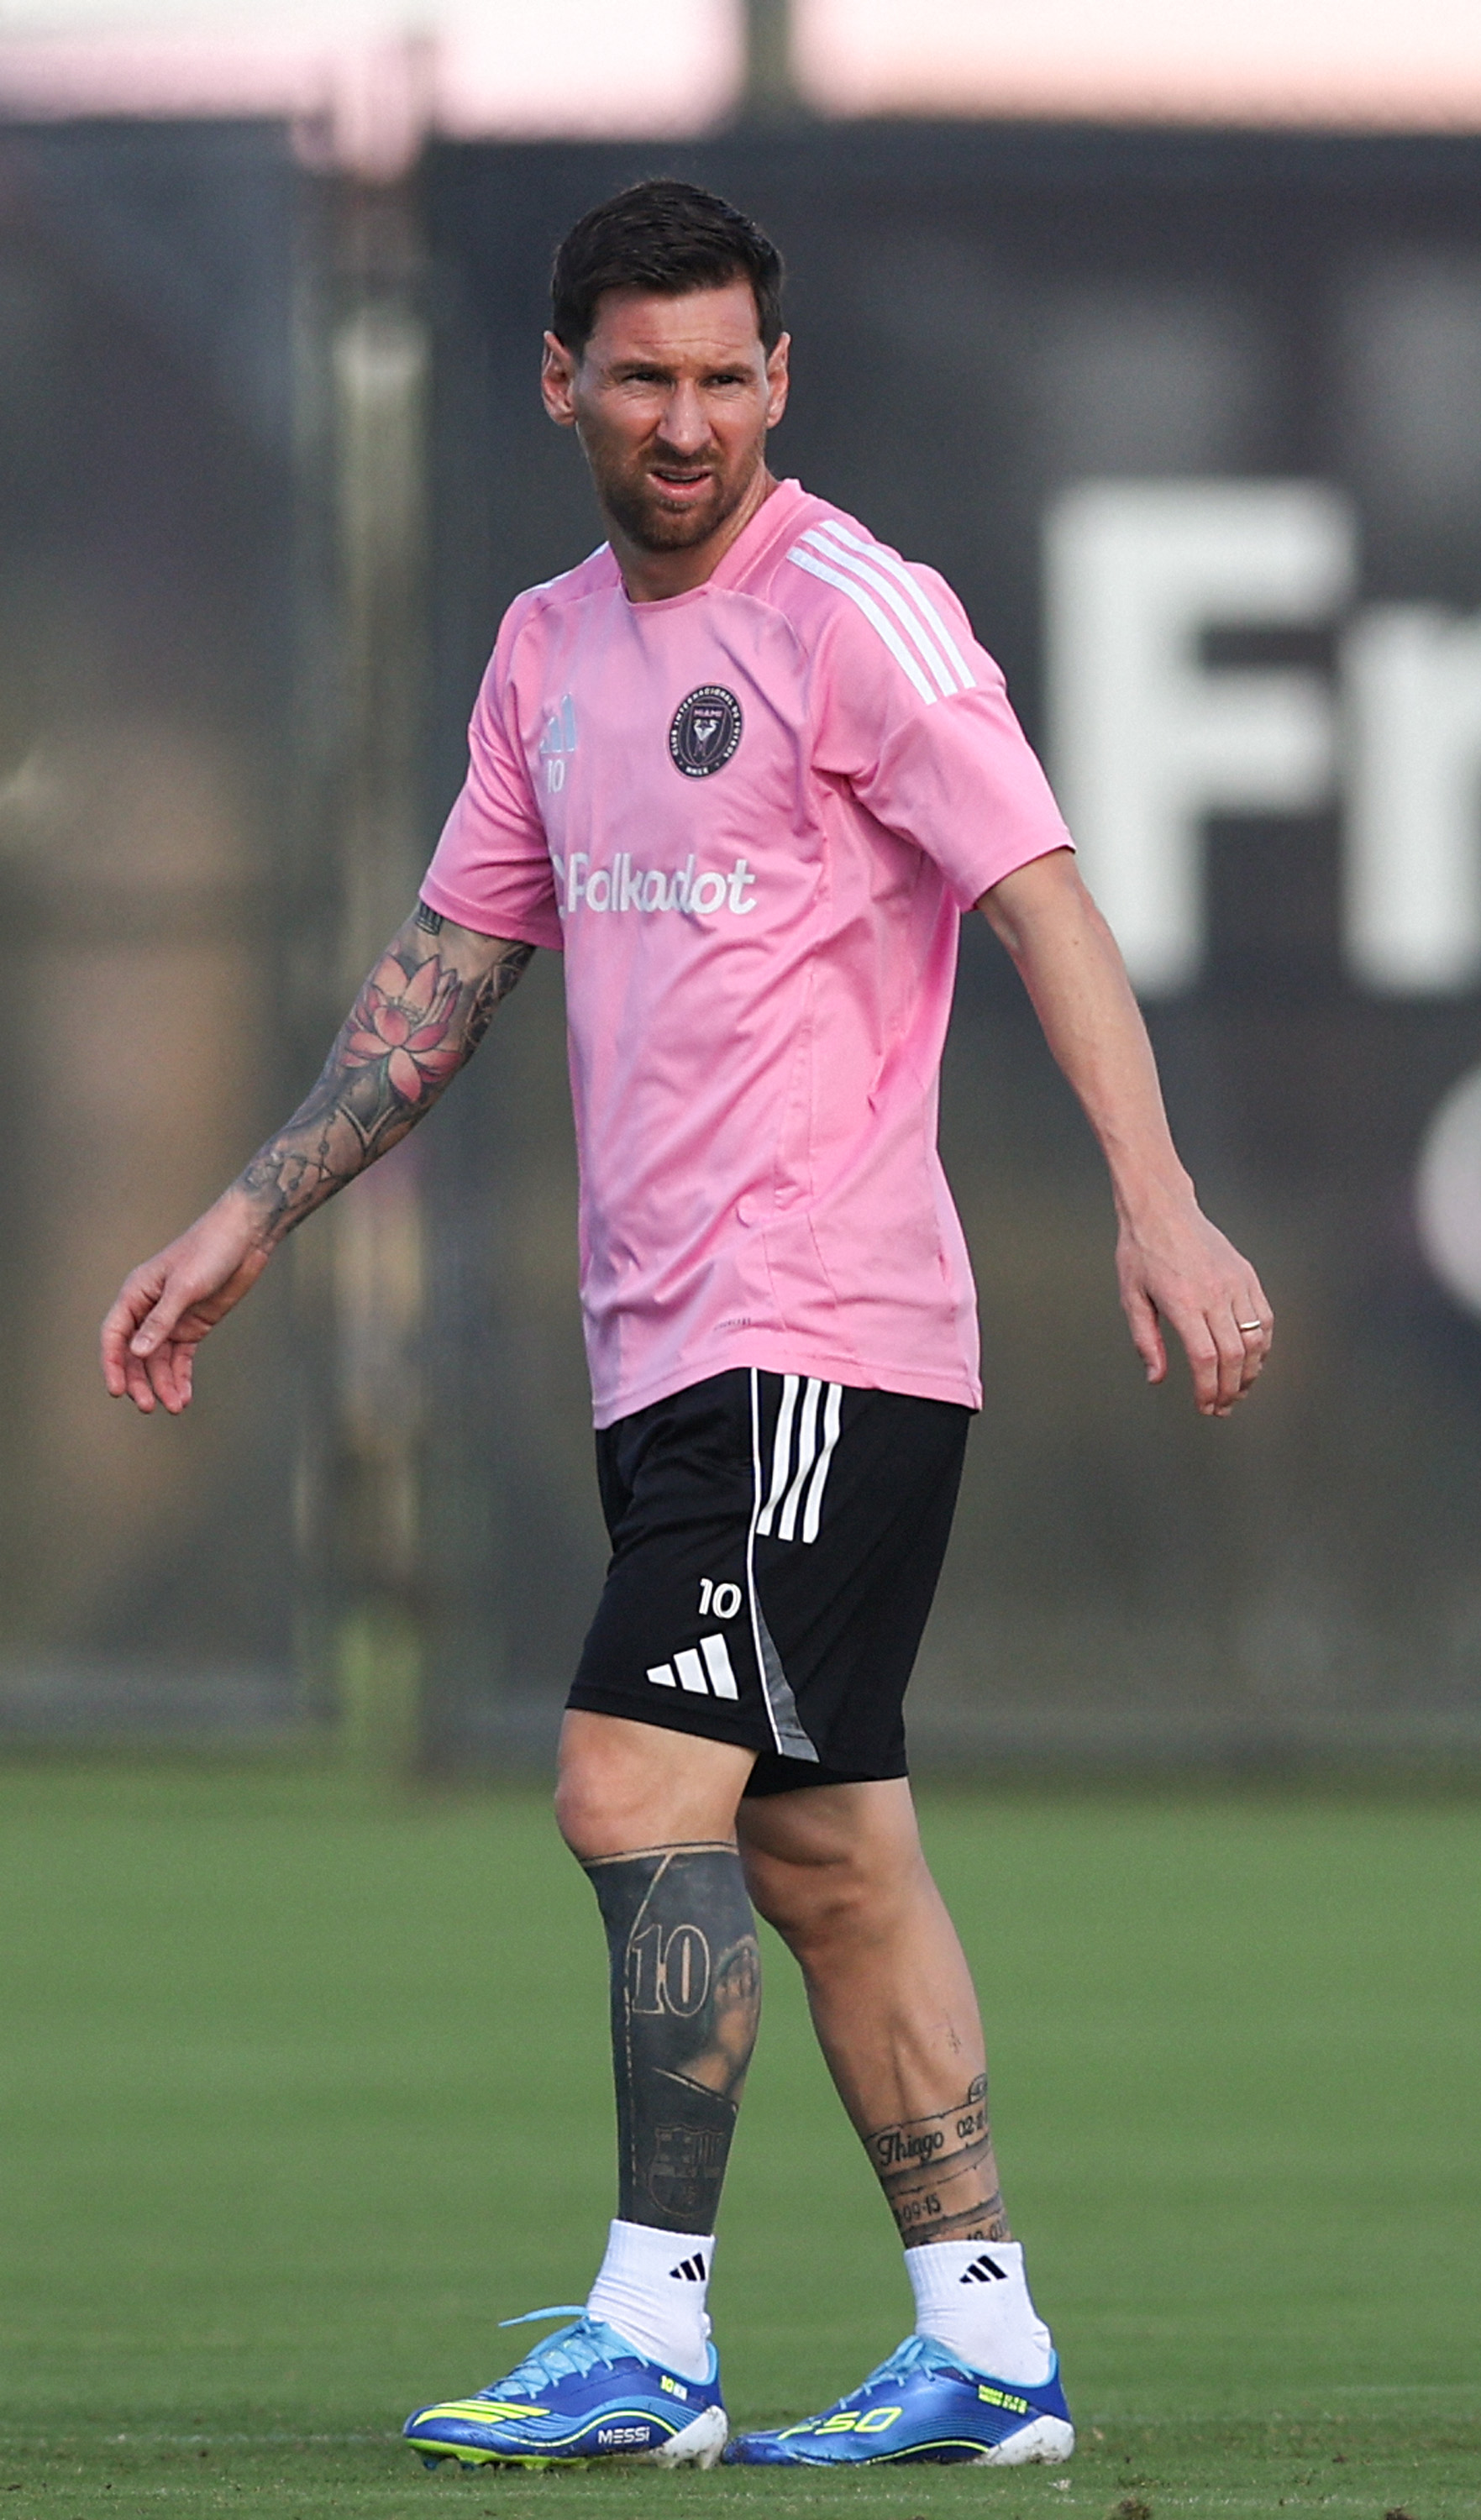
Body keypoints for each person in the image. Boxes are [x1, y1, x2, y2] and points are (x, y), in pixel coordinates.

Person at [100, 178, 1273, 2472]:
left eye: (729, 377)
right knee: (828, 1854)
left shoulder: (857, 614)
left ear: (780, 383)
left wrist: (1160, 1203)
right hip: (665, 1355)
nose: (687, 420)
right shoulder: (545, 653)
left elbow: (1040, 899)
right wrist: (252, 1209)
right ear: (560, 380)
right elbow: (444, 977)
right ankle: (989, 2348)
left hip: (817, 1335)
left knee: (630, 1781)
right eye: (642, 376)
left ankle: (652, 2340)